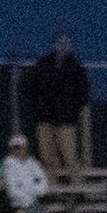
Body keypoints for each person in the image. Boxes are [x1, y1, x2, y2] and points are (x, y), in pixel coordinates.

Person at [32, 32, 90, 182]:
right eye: (60, 43)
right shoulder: (44, 64)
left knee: (69, 155)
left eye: (66, 43)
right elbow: (32, 87)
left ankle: (78, 188)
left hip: (66, 119)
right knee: (47, 156)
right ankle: (53, 188)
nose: (63, 46)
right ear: (54, 44)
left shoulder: (75, 66)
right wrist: (38, 107)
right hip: (45, 117)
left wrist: (73, 110)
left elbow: (83, 91)